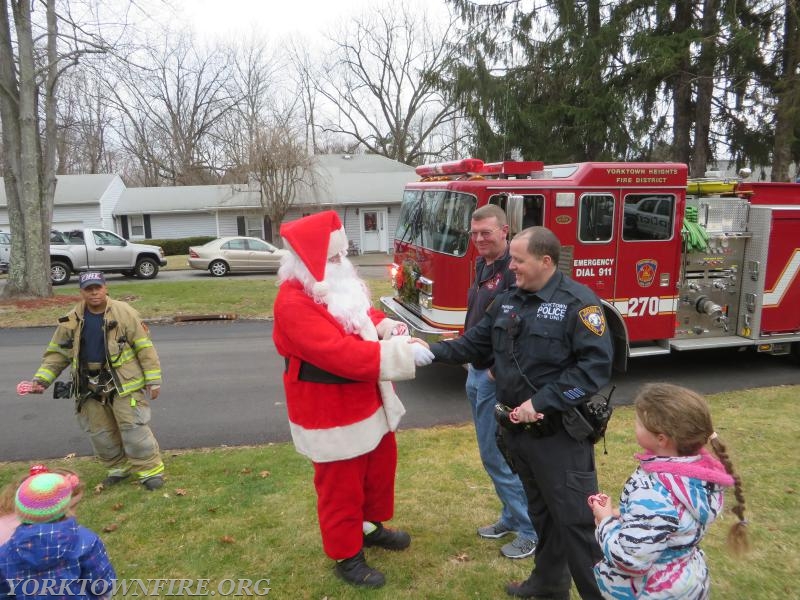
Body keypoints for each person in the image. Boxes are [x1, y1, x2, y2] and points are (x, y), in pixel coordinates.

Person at [422, 226, 613, 599]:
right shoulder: (509, 301)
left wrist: (541, 403)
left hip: (559, 437)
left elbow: (594, 370)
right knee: (542, 515)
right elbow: (473, 344)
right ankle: (548, 585)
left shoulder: (579, 304)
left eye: (519, 260)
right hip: (517, 435)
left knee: (575, 524)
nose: (511, 267)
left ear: (545, 261)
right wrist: (425, 351)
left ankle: (601, 593)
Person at [272, 210, 433, 589]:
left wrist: (385, 325)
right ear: (307, 262)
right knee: (340, 486)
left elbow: (358, 312)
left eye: (341, 255)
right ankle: (346, 553)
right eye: (333, 258)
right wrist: (401, 354)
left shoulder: (331, 283)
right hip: (329, 409)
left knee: (375, 472)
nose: (342, 263)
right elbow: (339, 354)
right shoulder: (294, 303)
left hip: (367, 399)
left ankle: (368, 526)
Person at [588, 383, 748, 599]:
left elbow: (631, 559)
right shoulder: (696, 475)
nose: (634, 425)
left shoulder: (652, 492)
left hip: (652, 590)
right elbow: (671, 522)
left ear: (661, 439)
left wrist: (605, 520)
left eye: (638, 422)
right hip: (686, 582)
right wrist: (628, 516)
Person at [23, 271, 165, 491]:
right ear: (81, 292)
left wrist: (153, 380)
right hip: (87, 386)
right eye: (89, 289)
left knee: (133, 428)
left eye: (97, 287)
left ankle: (150, 472)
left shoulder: (125, 313)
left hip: (124, 384)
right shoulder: (70, 320)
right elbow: (57, 354)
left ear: (105, 288)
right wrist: (41, 380)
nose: (94, 293)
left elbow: (144, 347)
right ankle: (117, 470)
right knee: (100, 432)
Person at [464, 205, 537, 559]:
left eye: (486, 233)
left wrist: (496, 370)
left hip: (493, 378)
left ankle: (529, 529)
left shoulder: (512, 270)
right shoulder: (483, 264)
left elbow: (522, 328)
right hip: (475, 371)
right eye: (474, 233)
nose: (478, 239)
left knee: (497, 457)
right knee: (492, 454)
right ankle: (511, 517)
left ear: (505, 231)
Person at [0, 471, 116, 600]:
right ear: (66, 508)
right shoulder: (84, 541)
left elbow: (4, 592)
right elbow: (102, 584)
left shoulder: (6, 551)